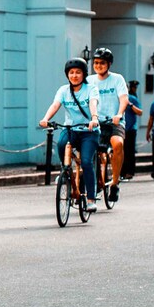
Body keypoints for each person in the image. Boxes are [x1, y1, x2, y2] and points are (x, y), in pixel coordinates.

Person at [39, 58, 101, 212]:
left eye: (78, 72)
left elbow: (93, 103)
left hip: (89, 131)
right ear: (67, 75)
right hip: (71, 129)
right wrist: (46, 119)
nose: (74, 75)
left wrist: (94, 118)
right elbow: (55, 105)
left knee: (86, 162)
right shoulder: (63, 90)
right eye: (71, 73)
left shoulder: (90, 89)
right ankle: (65, 170)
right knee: (61, 144)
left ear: (84, 74)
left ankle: (91, 199)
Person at [86, 47, 128, 202]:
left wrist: (119, 114)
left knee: (117, 144)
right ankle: (93, 181)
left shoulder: (117, 79)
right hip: (96, 121)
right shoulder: (89, 80)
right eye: (96, 63)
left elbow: (124, 99)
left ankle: (115, 183)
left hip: (114, 121)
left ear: (109, 64)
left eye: (102, 63)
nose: (98, 66)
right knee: (87, 149)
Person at [121, 80, 143, 180]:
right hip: (119, 128)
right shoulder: (116, 99)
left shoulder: (133, 98)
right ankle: (121, 172)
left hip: (130, 129)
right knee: (120, 151)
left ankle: (129, 172)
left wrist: (130, 105)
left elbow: (140, 112)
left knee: (129, 151)